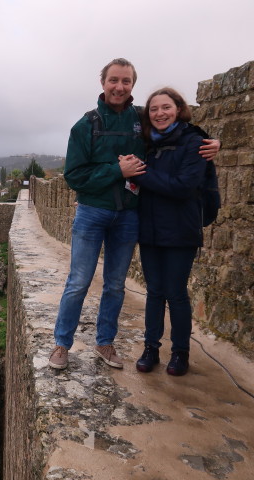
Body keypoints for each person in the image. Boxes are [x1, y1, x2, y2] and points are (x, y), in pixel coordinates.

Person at [48, 58, 219, 370]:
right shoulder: (85, 125)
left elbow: (181, 129)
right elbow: (74, 176)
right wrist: (117, 170)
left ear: (132, 86)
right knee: (79, 281)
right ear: (103, 83)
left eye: (126, 82)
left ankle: (105, 342)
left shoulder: (143, 120)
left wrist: (212, 143)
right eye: (114, 80)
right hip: (92, 212)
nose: (119, 87)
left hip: (128, 215)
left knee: (115, 284)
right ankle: (61, 344)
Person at [124, 87, 208, 376]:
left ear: (178, 109)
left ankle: (180, 353)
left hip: (180, 231)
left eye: (166, 107)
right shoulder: (147, 143)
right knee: (155, 292)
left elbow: (183, 186)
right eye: (154, 109)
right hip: (150, 230)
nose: (160, 113)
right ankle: (151, 348)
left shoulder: (194, 141)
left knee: (176, 293)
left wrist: (143, 174)